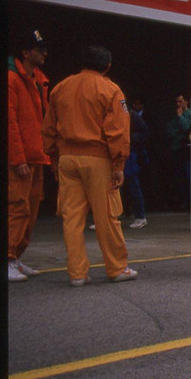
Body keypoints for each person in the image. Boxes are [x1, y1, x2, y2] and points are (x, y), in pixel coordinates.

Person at [41, 45, 137, 286]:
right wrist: (119, 164)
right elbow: (118, 131)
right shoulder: (111, 90)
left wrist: (54, 157)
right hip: (98, 159)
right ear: (107, 66)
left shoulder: (60, 88)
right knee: (107, 216)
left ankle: (77, 273)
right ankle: (116, 268)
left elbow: (49, 128)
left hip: (67, 158)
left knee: (71, 217)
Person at [8, 29, 51, 281]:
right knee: (17, 207)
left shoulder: (36, 80)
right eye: (39, 49)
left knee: (30, 209)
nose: (44, 53)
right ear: (25, 52)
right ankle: (7, 257)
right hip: (22, 158)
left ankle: (16, 256)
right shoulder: (12, 79)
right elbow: (9, 121)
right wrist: (17, 158)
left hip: (35, 155)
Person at [123, 97, 151, 228]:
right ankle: (107, 217)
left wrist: (132, 139)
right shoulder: (118, 115)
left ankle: (140, 216)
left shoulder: (132, 116)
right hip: (120, 152)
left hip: (130, 153)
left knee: (133, 183)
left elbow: (145, 132)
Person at [166, 92, 191, 210]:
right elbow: (170, 131)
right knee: (178, 177)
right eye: (177, 102)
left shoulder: (190, 115)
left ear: (186, 102)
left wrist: (181, 117)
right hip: (176, 149)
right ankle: (181, 202)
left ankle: (189, 202)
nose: (178, 104)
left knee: (188, 177)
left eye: (181, 101)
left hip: (185, 150)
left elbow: (187, 128)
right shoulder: (173, 116)